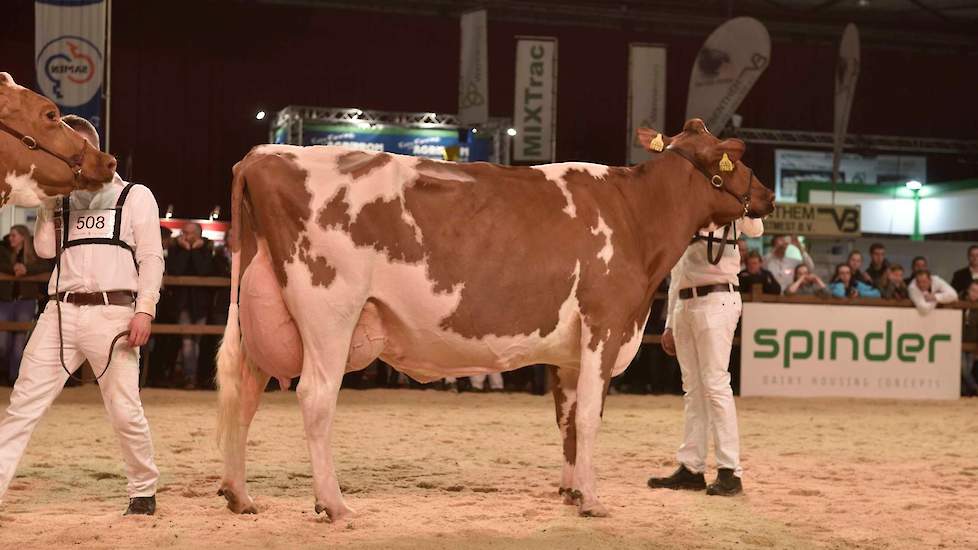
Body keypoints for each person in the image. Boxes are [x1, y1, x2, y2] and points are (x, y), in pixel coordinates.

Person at [0, 115, 162, 515]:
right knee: (23, 406)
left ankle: (143, 489)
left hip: (113, 315)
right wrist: (46, 204)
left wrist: (145, 309)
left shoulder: (135, 195)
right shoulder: (63, 200)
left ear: (91, 151)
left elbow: (151, 257)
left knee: (124, 410)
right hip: (58, 314)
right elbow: (44, 251)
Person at [648, 216, 763, 497]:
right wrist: (669, 325)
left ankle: (729, 470)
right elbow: (677, 271)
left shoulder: (729, 210)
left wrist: (733, 209)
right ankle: (691, 468)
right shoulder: (685, 214)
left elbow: (757, 229)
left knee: (715, 385)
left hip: (718, 298)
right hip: (685, 303)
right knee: (693, 390)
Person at [165, 222, 215, 389]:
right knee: (187, 341)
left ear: (198, 234)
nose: (185, 235)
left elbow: (204, 270)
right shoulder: (176, 249)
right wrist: (187, 250)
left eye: (189, 232)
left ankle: (195, 377)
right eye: (184, 232)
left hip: (201, 303)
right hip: (183, 303)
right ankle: (189, 377)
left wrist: (194, 251)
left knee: (198, 341)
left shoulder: (207, 249)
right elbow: (176, 270)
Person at [0, 226, 50, 385]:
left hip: (26, 301)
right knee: (2, 341)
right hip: (6, 300)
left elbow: (46, 267)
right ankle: (3, 373)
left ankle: (14, 378)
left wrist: (26, 269)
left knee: (19, 341)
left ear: (23, 237)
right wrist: (14, 268)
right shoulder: (3, 251)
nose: (10, 238)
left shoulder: (34, 254)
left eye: (14, 235)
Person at [960, 281, 978, 397]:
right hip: (959, 343)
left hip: (972, 344)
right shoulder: (958, 303)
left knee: (967, 371)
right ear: (968, 290)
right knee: (964, 369)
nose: (975, 294)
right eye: (973, 290)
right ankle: (975, 388)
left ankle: (966, 392)